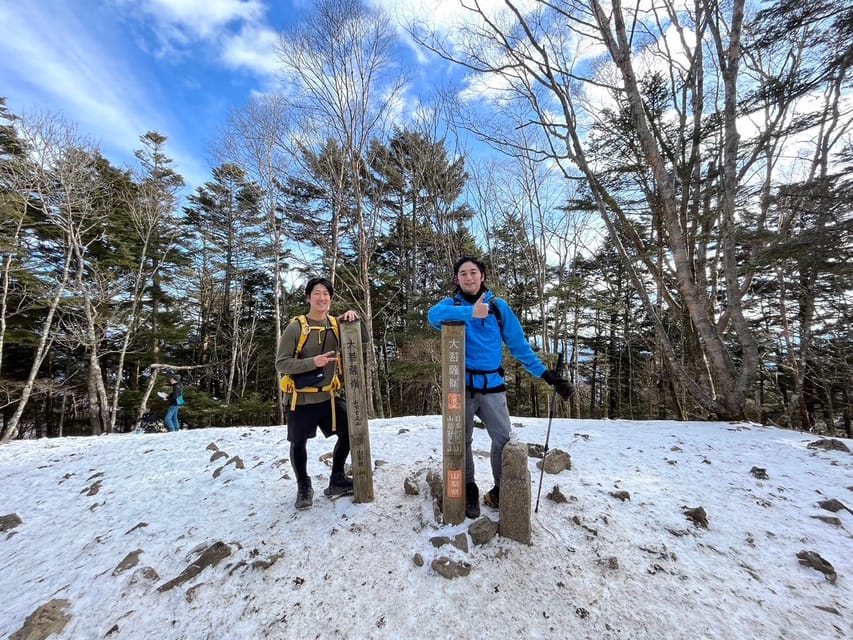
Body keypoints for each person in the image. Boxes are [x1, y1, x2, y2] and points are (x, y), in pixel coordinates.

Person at [428, 256, 573, 518]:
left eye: (474, 272)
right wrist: (471, 312)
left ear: (482, 276)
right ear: (457, 279)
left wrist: (545, 374)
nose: (469, 278)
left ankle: (499, 489)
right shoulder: (451, 304)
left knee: (503, 440)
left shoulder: (498, 307)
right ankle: (469, 488)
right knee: (461, 440)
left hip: (492, 385)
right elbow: (433, 316)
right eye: (463, 274)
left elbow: (518, 345)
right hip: (460, 388)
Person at [275, 277, 359, 510]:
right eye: (317, 293)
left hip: (329, 397)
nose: (322, 298)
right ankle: (303, 486)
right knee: (299, 442)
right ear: (308, 297)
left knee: (350, 432)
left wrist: (353, 319)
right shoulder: (296, 327)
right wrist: (314, 362)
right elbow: (282, 363)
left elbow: (361, 342)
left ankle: (337, 478)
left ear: (331, 299)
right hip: (300, 399)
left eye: (326, 294)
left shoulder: (336, 324)